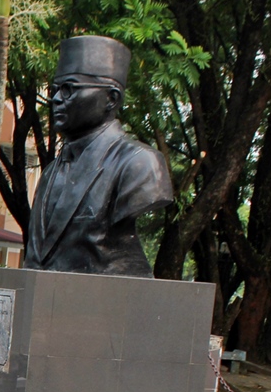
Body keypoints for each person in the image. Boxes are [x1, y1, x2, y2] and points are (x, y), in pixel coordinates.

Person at [23, 36, 174, 277]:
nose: (56, 99)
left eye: (69, 89)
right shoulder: (51, 172)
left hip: (103, 307)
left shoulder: (139, 164)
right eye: (55, 90)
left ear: (111, 98)